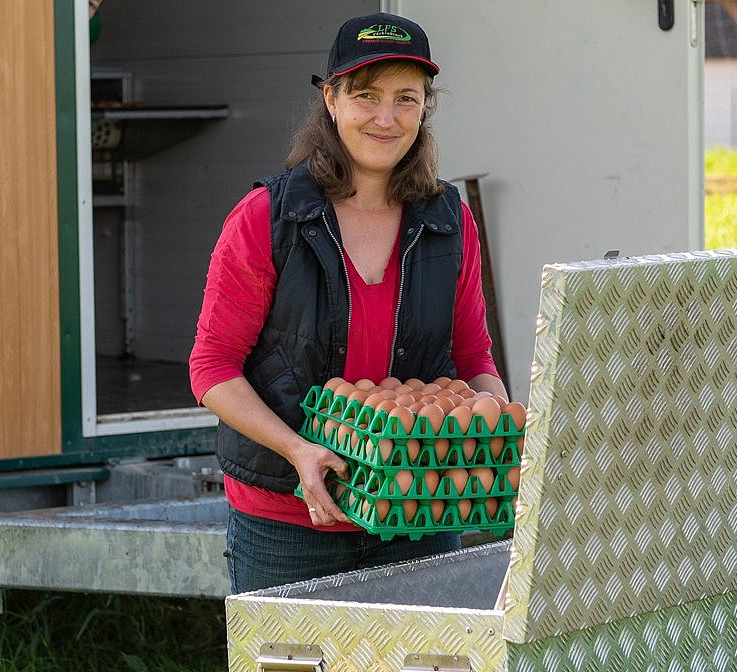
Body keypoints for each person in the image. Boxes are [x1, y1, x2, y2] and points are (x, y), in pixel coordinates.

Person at [188, 12, 508, 594]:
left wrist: (493, 440)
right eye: (366, 95)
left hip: (416, 514)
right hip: (288, 518)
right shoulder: (268, 219)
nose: (385, 118)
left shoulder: (449, 222)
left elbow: (474, 358)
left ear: (424, 108)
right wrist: (298, 451)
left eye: (405, 98)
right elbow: (212, 369)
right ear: (331, 100)